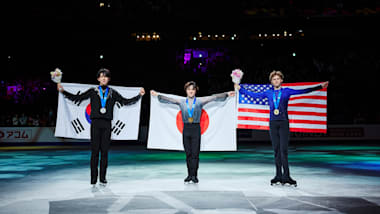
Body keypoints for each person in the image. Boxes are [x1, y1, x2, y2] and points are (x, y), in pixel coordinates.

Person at [236, 71, 329, 187]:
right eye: (274, 79)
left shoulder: (287, 91)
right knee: (276, 151)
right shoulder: (268, 92)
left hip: (284, 124)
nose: (276, 81)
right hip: (273, 124)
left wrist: (320, 86)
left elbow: (303, 91)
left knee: (283, 151)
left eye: (278, 79)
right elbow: (254, 95)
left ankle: (287, 176)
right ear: (271, 81)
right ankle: (278, 176)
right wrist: (240, 89)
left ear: (281, 80)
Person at [57, 68, 145, 186]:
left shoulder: (112, 92)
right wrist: (63, 92)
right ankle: (93, 178)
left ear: (108, 79)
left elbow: (125, 101)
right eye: (101, 76)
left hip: (107, 124)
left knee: (104, 152)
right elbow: (78, 98)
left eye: (106, 76)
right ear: (98, 78)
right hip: (95, 124)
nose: (104, 78)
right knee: (94, 152)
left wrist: (139, 96)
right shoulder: (93, 91)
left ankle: (103, 178)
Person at [151, 81, 235, 183]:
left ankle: (194, 175)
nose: (190, 91)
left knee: (195, 154)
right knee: (188, 154)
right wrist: (157, 95)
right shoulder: (182, 101)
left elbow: (214, 98)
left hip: (196, 129)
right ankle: (189, 175)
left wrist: (226, 94)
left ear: (195, 91)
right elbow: (169, 99)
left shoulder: (200, 101)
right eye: (189, 89)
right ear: (186, 91)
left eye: (192, 89)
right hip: (186, 129)